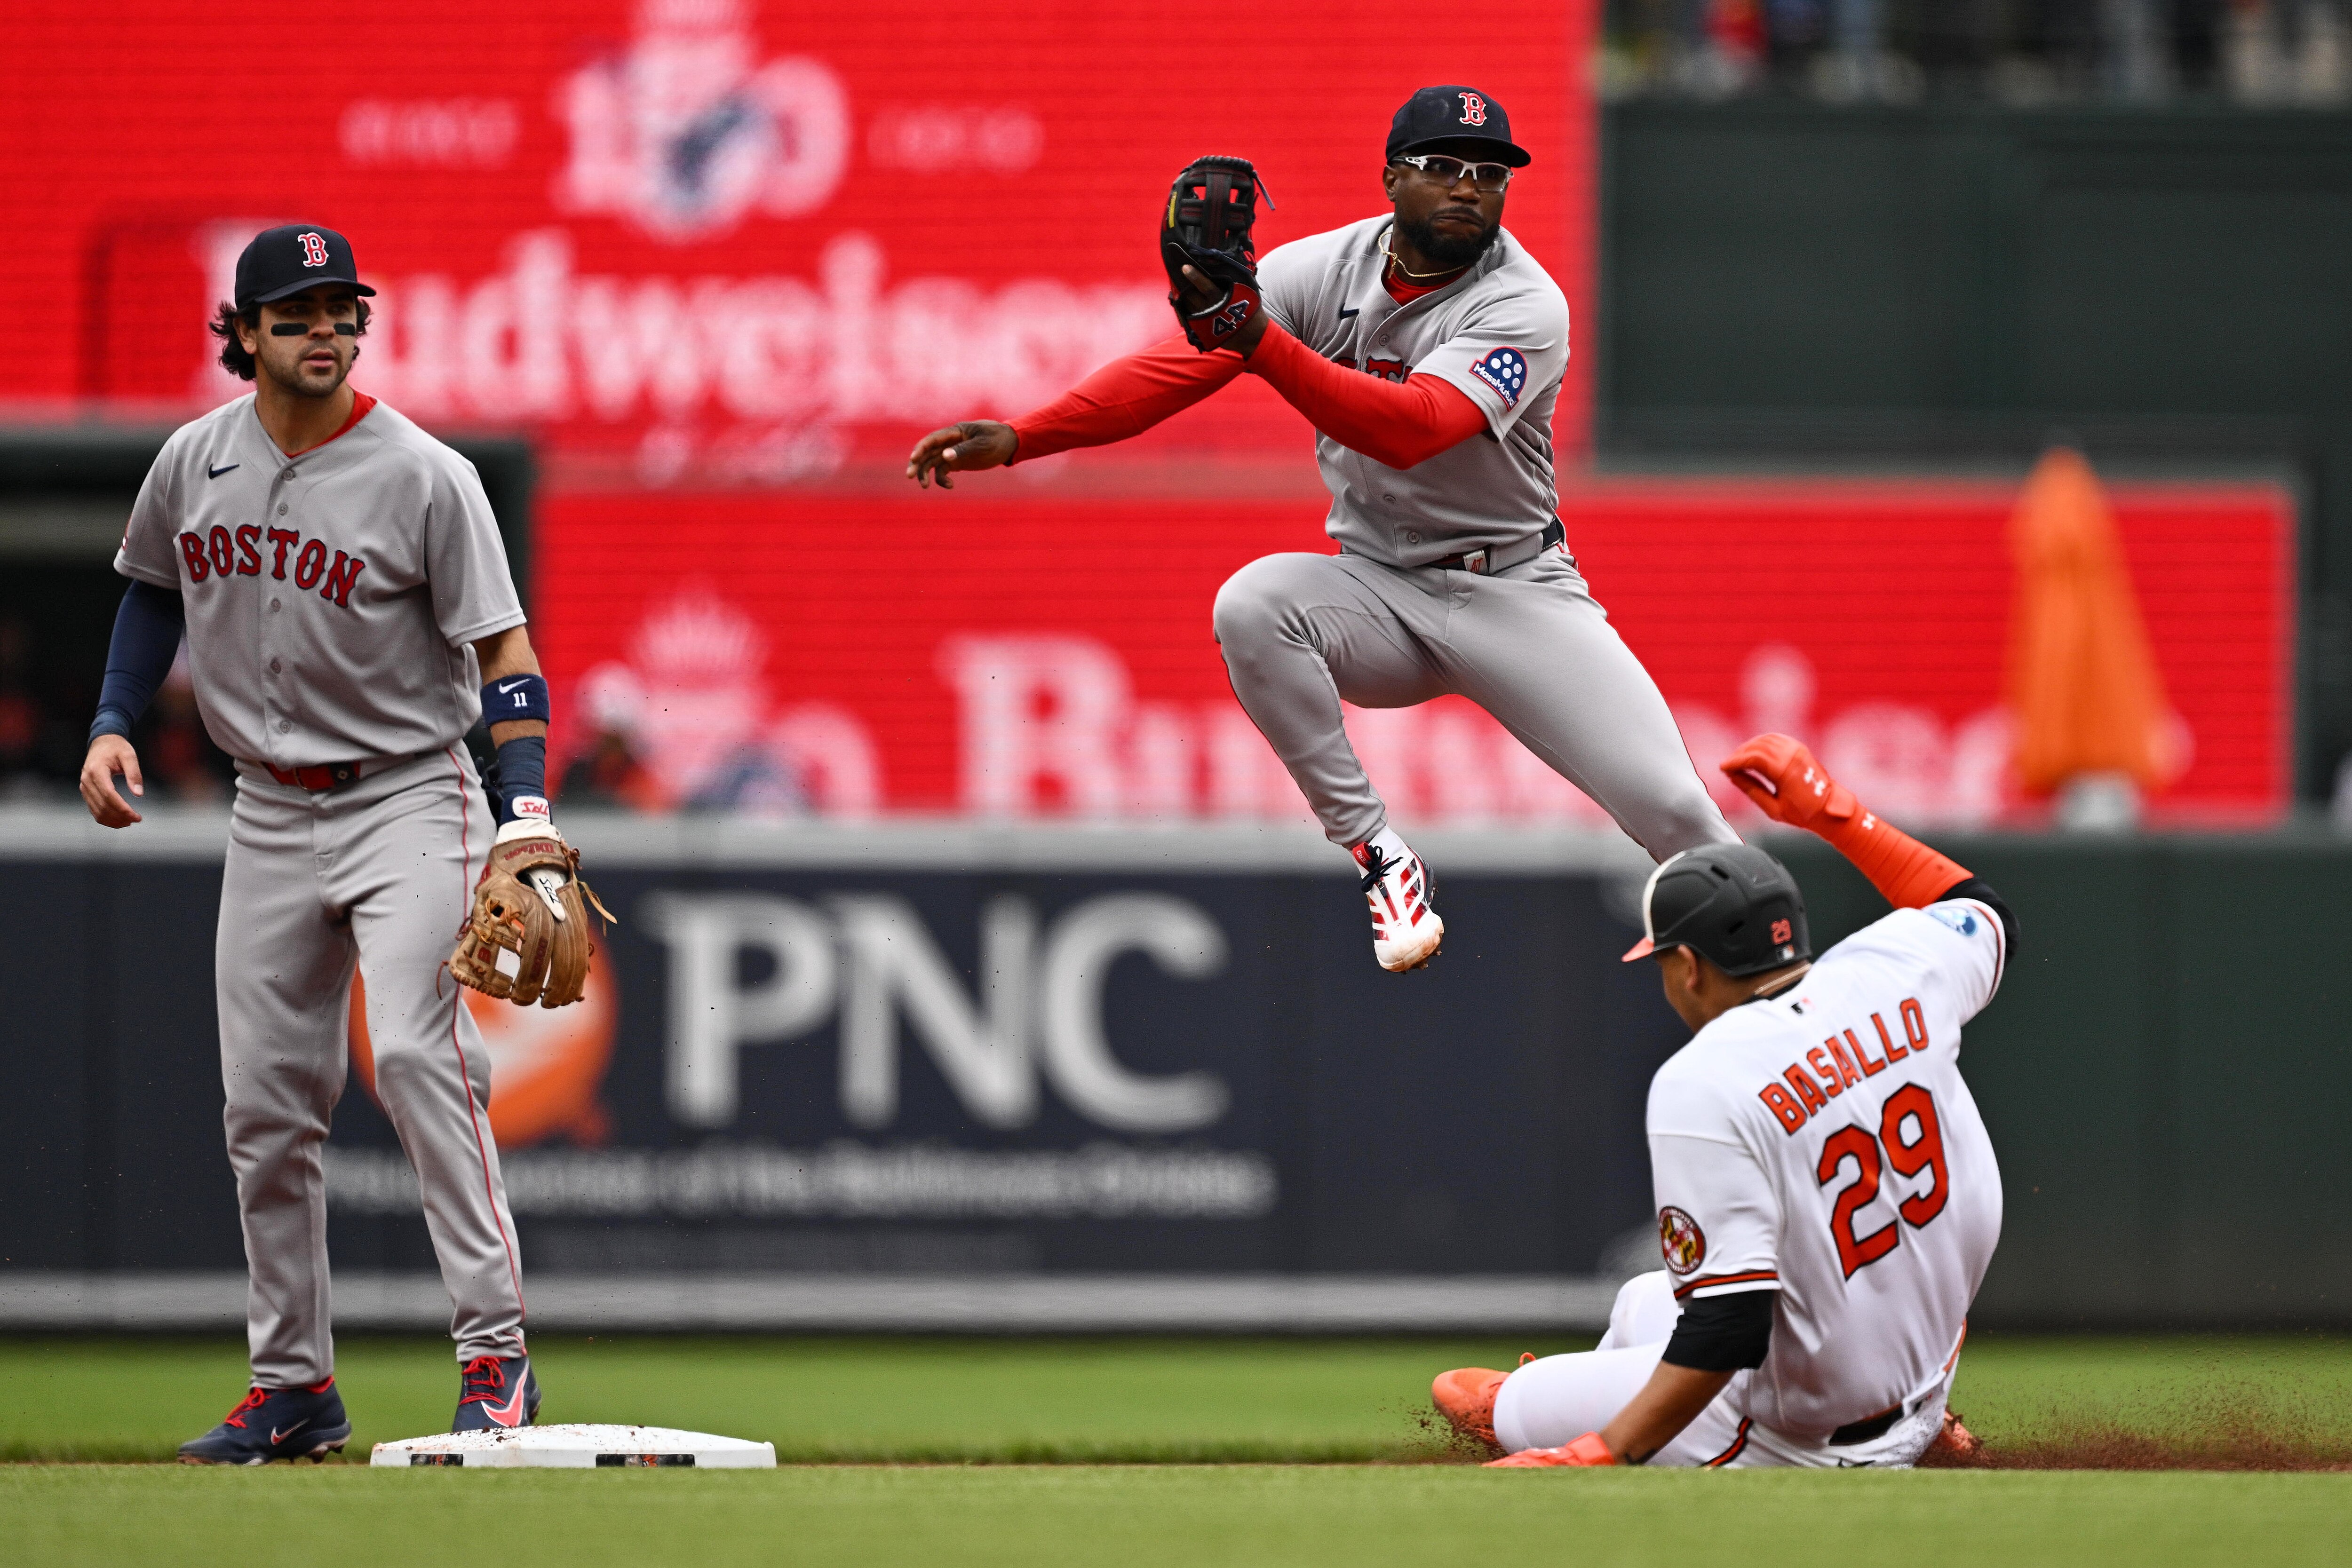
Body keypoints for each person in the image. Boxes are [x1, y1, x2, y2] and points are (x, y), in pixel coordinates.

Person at [906, 85, 1736, 973]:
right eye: (1442, 166)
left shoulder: (1525, 303)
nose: (1468, 187)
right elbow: (1173, 369)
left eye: (1490, 173)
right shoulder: (1325, 270)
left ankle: (1795, 989)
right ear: (1390, 177)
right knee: (1254, 603)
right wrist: (1029, 435)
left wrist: (1258, 340)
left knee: (1683, 816)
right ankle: (1381, 857)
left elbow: (1413, 430)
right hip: (1379, 590)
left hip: (1515, 591)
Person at [79, 224, 559, 1462]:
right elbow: (148, 588)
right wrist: (112, 720)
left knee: (413, 1049)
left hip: (408, 789)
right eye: (294, 313)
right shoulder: (194, 460)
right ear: (241, 333)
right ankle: (295, 1384)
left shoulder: (425, 474)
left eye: (341, 308)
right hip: (268, 806)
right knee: (265, 1105)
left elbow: (505, 652)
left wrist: (527, 814)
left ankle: (497, 1356)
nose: (323, 330)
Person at [1433, 733, 2013, 1468]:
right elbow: (1980, 907)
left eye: (1663, 962)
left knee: (1474, 1397)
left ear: (1690, 966)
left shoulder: (1703, 1079)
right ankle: (1926, 1418)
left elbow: (1729, 1328)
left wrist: (1600, 1452)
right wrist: (1838, 814)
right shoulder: (1898, 967)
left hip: (1793, 1438)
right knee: (1642, 1303)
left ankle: (1614, 1429)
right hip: (1923, 1361)